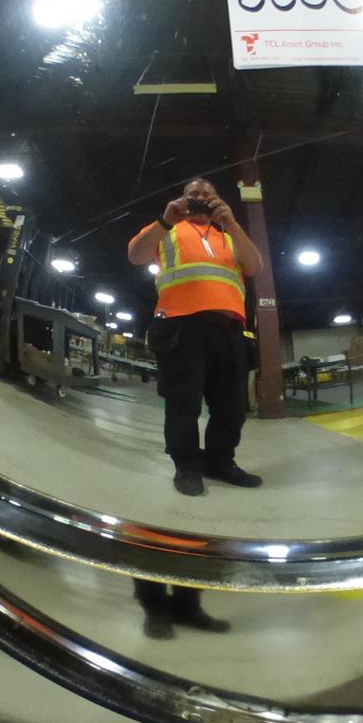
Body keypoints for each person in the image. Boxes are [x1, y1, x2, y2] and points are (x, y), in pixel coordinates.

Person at [126, 176, 266, 497]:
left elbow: (255, 266)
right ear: (183, 199)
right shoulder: (167, 230)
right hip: (181, 326)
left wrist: (231, 223)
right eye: (193, 194)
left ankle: (220, 462)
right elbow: (136, 255)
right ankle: (187, 466)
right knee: (183, 404)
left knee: (232, 407)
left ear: (218, 201)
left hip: (230, 331)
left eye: (207, 193)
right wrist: (166, 220)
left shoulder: (229, 236)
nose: (200, 197)